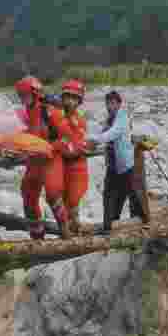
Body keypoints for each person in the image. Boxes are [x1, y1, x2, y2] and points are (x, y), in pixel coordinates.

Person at [14, 75, 72, 240]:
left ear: (35, 93)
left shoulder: (50, 111)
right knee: (27, 193)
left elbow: (67, 137)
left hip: (51, 158)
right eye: (21, 96)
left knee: (53, 193)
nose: (23, 98)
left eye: (25, 95)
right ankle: (37, 236)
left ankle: (65, 233)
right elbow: (25, 134)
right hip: (34, 160)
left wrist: (50, 148)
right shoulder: (25, 113)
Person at [88, 90, 149, 233]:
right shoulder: (110, 118)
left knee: (133, 195)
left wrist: (95, 139)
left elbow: (112, 134)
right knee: (110, 196)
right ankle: (109, 226)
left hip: (126, 166)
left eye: (113, 103)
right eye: (108, 103)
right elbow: (104, 134)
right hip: (113, 166)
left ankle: (142, 223)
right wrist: (94, 140)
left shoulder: (122, 117)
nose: (110, 106)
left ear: (119, 104)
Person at [56, 79, 90, 234]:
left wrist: (62, 147)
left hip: (77, 168)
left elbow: (77, 146)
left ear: (79, 101)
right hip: (63, 167)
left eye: (73, 98)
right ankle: (70, 233)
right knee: (64, 203)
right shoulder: (57, 117)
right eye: (67, 97)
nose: (69, 101)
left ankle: (77, 233)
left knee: (73, 203)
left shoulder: (79, 121)